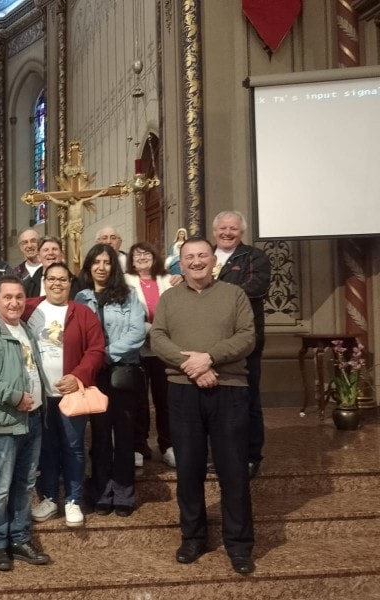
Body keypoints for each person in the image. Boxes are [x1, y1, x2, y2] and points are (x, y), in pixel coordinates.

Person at [150, 237, 257, 575]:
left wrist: (210, 359)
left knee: (234, 470)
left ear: (214, 260)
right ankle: (193, 537)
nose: (196, 262)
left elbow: (246, 337)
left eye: (202, 255)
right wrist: (193, 367)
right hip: (183, 390)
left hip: (230, 390)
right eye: (189, 257)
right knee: (189, 469)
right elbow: (158, 338)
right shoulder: (169, 298)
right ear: (180, 263)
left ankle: (239, 545)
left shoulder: (234, 295)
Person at [0, 276, 50, 571]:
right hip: (4, 421)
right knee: (0, 487)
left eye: (18, 297)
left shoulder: (24, 328)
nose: (14, 302)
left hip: (32, 419)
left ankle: (19, 538)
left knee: (25, 483)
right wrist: (15, 397)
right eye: (7, 297)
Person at [24, 262, 105, 528]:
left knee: (73, 447)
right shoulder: (29, 308)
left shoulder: (82, 313)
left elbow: (96, 350)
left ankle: (72, 499)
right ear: (43, 281)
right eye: (51, 279)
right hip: (39, 396)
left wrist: (78, 376)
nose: (56, 284)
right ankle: (48, 497)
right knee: (46, 448)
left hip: (70, 395)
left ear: (70, 283)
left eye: (62, 279)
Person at [75, 244, 146, 517]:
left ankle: (125, 493)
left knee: (125, 434)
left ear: (113, 267)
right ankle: (102, 492)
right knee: (101, 434)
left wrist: (105, 353)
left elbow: (137, 333)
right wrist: (92, 359)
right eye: (96, 262)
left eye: (107, 262)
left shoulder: (127, 296)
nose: (101, 267)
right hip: (95, 374)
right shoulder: (81, 297)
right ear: (89, 266)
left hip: (122, 371)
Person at [212, 210, 270, 479]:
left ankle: (250, 456)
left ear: (241, 232)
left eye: (233, 228)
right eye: (223, 228)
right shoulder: (205, 256)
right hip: (210, 343)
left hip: (245, 342)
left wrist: (214, 291)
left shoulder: (254, 257)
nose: (227, 232)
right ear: (214, 231)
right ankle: (221, 454)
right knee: (215, 402)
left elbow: (257, 287)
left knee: (247, 401)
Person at [124, 242, 177, 468]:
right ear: (131, 260)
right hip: (138, 348)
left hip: (164, 349)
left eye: (146, 253)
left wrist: (160, 333)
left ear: (155, 257)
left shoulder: (169, 280)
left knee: (165, 399)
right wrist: (150, 330)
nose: (142, 257)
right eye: (137, 255)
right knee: (138, 400)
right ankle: (138, 445)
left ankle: (168, 445)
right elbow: (127, 314)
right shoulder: (125, 282)